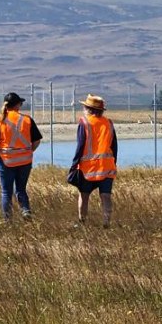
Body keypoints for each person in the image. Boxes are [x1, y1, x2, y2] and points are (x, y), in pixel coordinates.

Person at [0, 91, 41, 222]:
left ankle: (7, 219)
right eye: (20, 103)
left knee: (6, 192)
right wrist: (29, 151)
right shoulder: (27, 119)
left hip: (7, 161)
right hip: (25, 161)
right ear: (17, 105)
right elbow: (37, 140)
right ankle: (25, 211)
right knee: (21, 189)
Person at [69, 93, 118, 228]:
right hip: (107, 167)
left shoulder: (84, 122)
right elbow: (114, 145)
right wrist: (114, 163)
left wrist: (74, 165)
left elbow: (80, 145)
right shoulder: (109, 123)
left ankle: (82, 222)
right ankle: (106, 223)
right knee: (106, 196)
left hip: (88, 168)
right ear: (101, 110)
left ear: (88, 109)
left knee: (84, 196)